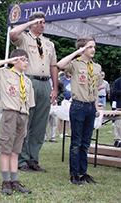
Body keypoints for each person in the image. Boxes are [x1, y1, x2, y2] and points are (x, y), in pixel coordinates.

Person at [9, 11, 58, 172]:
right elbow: (13, 33)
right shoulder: (24, 38)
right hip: (28, 81)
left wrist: (55, 88)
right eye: (39, 22)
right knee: (25, 122)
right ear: (32, 23)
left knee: (40, 123)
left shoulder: (48, 43)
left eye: (44, 22)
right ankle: (21, 159)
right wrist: (30, 24)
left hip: (44, 83)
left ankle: (33, 159)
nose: (42, 25)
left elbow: (53, 67)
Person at [0, 49, 34, 195]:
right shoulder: (4, 73)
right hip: (10, 114)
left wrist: (25, 125)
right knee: (6, 148)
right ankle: (5, 181)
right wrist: (8, 61)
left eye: (27, 60)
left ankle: (14, 181)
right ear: (15, 60)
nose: (26, 62)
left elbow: (29, 105)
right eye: (23, 59)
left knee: (16, 150)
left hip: (22, 115)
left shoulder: (28, 80)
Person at [57, 35, 102, 185]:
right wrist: (77, 52)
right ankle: (74, 174)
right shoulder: (75, 64)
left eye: (94, 46)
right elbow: (60, 64)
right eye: (89, 47)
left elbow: (95, 88)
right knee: (76, 142)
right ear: (82, 48)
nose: (93, 49)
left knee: (85, 142)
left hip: (90, 106)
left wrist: (95, 105)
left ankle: (83, 172)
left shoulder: (96, 67)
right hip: (78, 105)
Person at [45, 78, 65, 143]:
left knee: (54, 122)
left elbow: (63, 92)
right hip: (47, 103)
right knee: (45, 122)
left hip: (55, 105)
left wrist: (57, 100)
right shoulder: (45, 80)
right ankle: (44, 137)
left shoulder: (58, 81)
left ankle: (52, 137)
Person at [58, 70, 72, 138]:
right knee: (61, 116)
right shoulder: (62, 79)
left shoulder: (72, 80)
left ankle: (66, 132)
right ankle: (60, 133)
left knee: (67, 117)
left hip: (70, 100)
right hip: (63, 99)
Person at [111, 76, 121, 143]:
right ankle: (117, 139)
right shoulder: (118, 81)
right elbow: (114, 92)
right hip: (120, 105)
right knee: (119, 124)